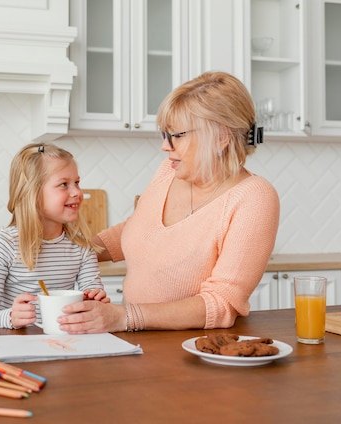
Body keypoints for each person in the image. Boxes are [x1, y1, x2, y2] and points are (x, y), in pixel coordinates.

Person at [57, 71, 280, 333]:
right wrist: (63, 250)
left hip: (194, 353)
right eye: (165, 134)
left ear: (221, 137)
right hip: (138, 341)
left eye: (177, 135)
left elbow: (222, 304)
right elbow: (138, 229)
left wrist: (122, 317)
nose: (165, 146)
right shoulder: (169, 170)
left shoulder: (254, 197)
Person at [0, 142, 109, 329]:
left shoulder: (81, 247)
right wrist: (11, 317)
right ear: (32, 193)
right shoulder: (3, 246)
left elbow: (93, 307)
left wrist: (95, 304)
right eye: (63, 184)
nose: (77, 192)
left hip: (64, 346)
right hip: (15, 349)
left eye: (77, 182)